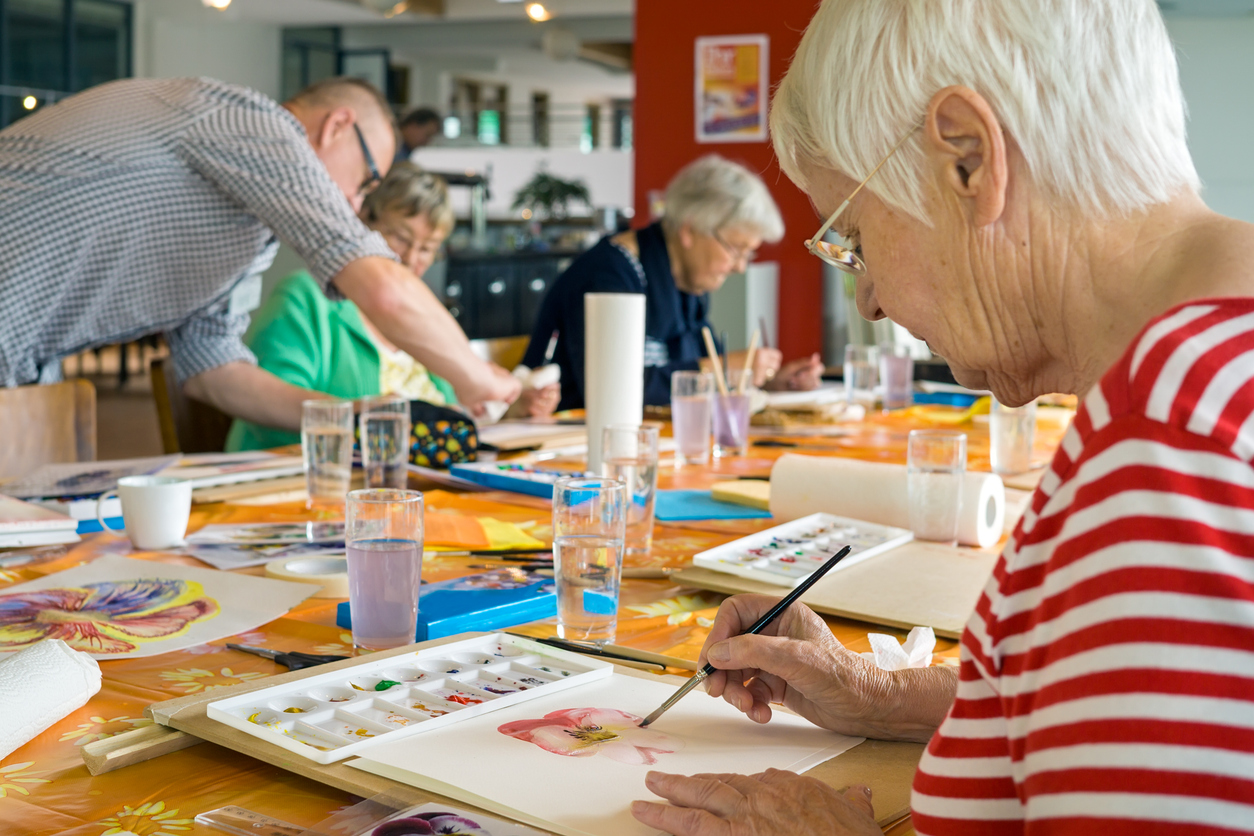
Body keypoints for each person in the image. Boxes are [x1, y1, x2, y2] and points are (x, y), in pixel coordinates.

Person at [630, 1, 1254, 834]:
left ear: (968, 157)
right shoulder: (1205, 377)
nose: (871, 298)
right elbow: (1107, 694)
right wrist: (882, 695)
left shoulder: (1171, 462)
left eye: (853, 237)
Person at [0, 76, 519, 425]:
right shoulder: (256, 124)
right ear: (337, 126)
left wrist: (352, 418)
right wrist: (476, 378)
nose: (352, 203)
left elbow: (214, 368)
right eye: (364, 182)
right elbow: (381, 288)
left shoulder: (246, 228)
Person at [226, 163, 559, 451]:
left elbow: (448, 413)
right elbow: (263, 414)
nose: (411, 259)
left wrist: (510, 413)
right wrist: (363, 413)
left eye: (427, 248)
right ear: (362, 221)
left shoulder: (421, 317)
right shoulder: (306, 297)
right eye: (398, 237)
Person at [522, 155, 824, 411]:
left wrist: (769, 380)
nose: (741, 267)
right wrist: (721, 370)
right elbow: (611, 391)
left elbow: (700, 364)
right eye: (736, 249)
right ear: (690, 230)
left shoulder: (687, 283)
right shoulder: (608, 275)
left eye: (749, 253)